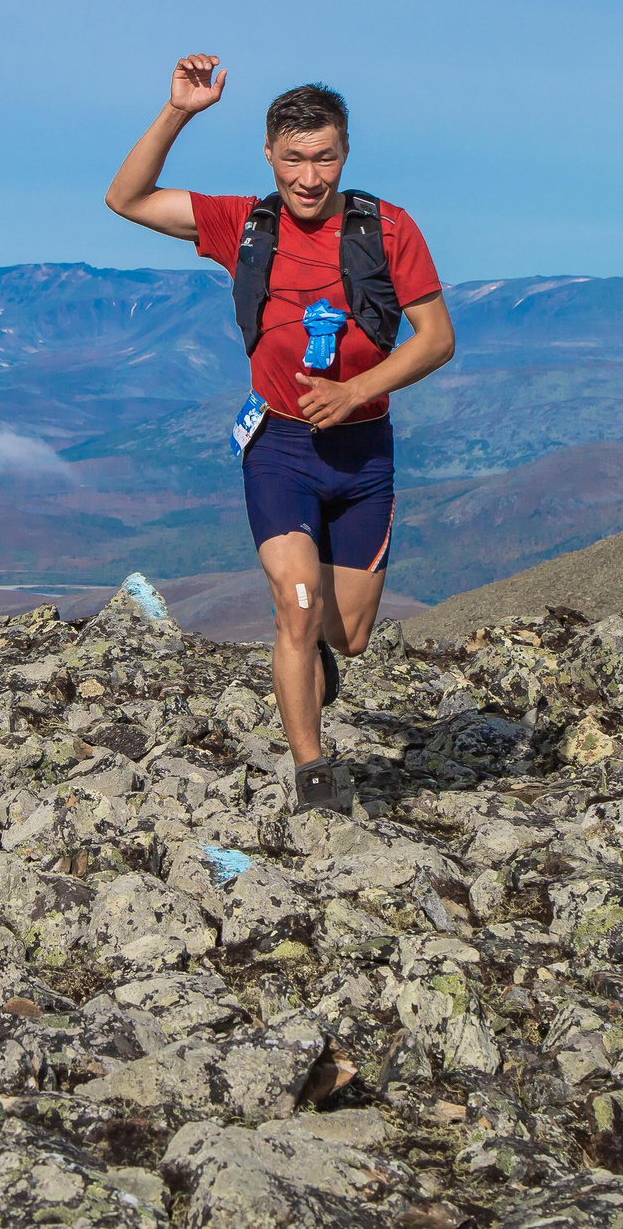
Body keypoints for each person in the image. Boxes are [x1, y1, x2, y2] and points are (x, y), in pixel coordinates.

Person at [105, 54, 456, 812]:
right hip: (280, 448)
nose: (309, 176)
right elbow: (125, 197)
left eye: (324, 157)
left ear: (346, 151)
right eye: (293, 158)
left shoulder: (388, 230)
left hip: (362, 452)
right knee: (295, 605)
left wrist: (357, 389)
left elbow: (436, 339)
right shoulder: (244, 224)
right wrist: (179, 111)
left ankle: (321, 654)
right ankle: (312, 772)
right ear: (268, 154)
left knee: (349, 634)